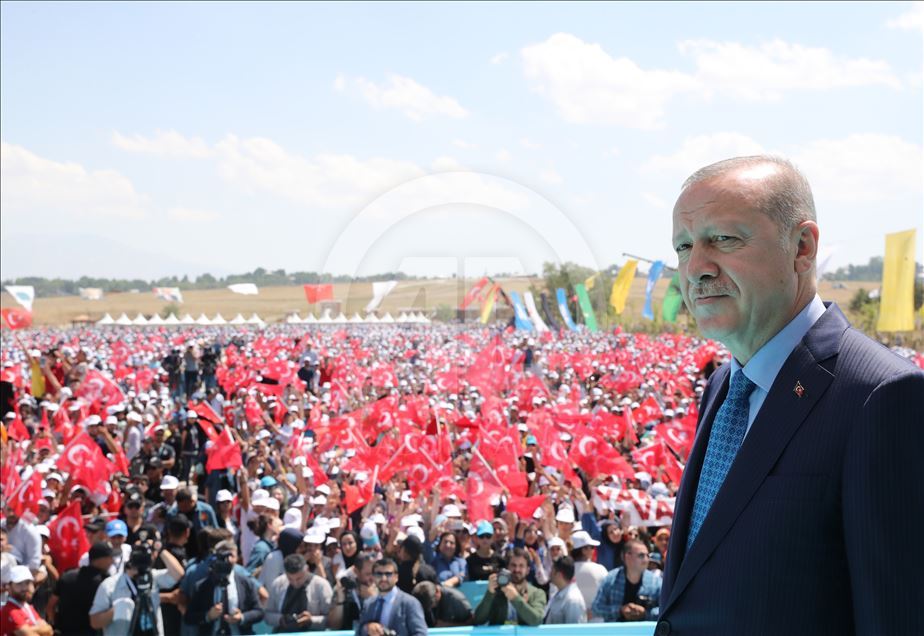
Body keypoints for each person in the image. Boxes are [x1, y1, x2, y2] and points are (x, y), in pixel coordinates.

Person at [660, 155, 924, 635]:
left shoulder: (882, 396)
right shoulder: (721, 386)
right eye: (684, 246)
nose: (696, 268)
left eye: (723, 239)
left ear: (803, 247)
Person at [89, 537, 185, 636]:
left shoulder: (152, 577)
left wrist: (159, 548)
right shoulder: (110, 585)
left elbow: (178, 574)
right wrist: (114, 611)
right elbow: (94, 622)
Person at [184, 541, 263, 635]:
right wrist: (208, 616)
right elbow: (189, 617)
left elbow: (259, 611)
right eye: (223, 557)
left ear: (237, 558)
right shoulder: (202, 586)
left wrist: (242, 617)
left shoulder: (245, 582)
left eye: (231, 556)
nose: (228, 561)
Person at [46, 542, 118, 636]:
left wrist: (54, 625)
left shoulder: (67, 576)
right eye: (110, 558)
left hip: (64, 632)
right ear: (100, 559)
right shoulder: (105, 582)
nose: (112, 561)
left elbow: (51, 605)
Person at [472, 547, 546, 626]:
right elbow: (478, 620)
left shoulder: (537, 593)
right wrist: (489, 593)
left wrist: (515, 598)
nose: (517, 570)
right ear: (507, 568)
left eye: (521, 566)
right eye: (513, 565)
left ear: (528, 570)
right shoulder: (497, 591)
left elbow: (537, 620)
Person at [592, 539, 661, 623]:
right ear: (627, 556)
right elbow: (596, 608)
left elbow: (665, 609)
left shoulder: (656, 582)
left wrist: (645, 613)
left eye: (647, 556)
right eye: (641, 555)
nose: (646, 560)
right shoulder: (610, 579)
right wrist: (620, 610)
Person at [354, 558, 427, 636]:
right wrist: (367, 628)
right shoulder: (368, 604)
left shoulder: (410, 603)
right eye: (379, 574)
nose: (383, 578)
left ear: (396, 577)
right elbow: (358, 632)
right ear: (373, 577)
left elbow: (420, 633)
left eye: (388, 574)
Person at [264, 553, 333, 632]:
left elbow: (333, 619)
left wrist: (311, 620)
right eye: (290, 579)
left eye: (299, 578)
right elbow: (267, 615)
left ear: (307, 569)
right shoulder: (278, 584)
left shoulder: (321, 585)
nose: (295, 583)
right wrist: (281, 619)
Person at [327, 553, 378, 631]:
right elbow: (333, 625)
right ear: (356, 571)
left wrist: (373, 598)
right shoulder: (344, 588)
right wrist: (340, 601)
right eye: (368, 574)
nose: (373, 578)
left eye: (375, 573)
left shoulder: (382, 588)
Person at [1, 566, 53, 636]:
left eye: (27, 583)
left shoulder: (27, 607)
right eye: (19, 583)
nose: (25, 588)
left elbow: (50, 630)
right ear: (9, 586)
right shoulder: (10, 610)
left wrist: (30, 628)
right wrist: (38, 629)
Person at [569, 530, 608, 618]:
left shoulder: (565, 570)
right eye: (592, 547)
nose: (593, 550)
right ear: (584, 550)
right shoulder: (600, 569)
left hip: (572, 620)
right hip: (597, 620)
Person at [542, 556, 586, 625]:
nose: (550, 574)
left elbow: (574, 630)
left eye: (552, 571)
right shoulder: (559, 594)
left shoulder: (573, 600)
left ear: (559, 575)